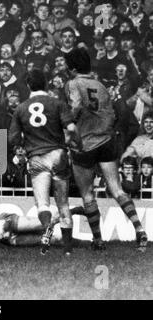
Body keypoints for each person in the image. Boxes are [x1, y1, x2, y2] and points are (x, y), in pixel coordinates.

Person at [65, 48, 148, 252]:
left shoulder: (73, 83)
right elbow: (110, 113)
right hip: (106, 140)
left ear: (73, 68)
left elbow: (75, 107)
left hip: (84, 144)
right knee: (116, 188)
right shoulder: (100, 85)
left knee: (88, 194)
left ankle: (98, 240)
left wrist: (68, 124)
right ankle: (139, 229)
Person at [9, 69, 79, 255]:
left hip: (37, 157)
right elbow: (71, 128)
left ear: (28, 85)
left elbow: (13, 139)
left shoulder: (21, 108)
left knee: (42, 204)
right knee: (63, 203)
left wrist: (23, 148)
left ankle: (48, 227)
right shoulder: (57, 103)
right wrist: (69, 143)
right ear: (46, 84)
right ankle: (68, 250)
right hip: (58, 154)